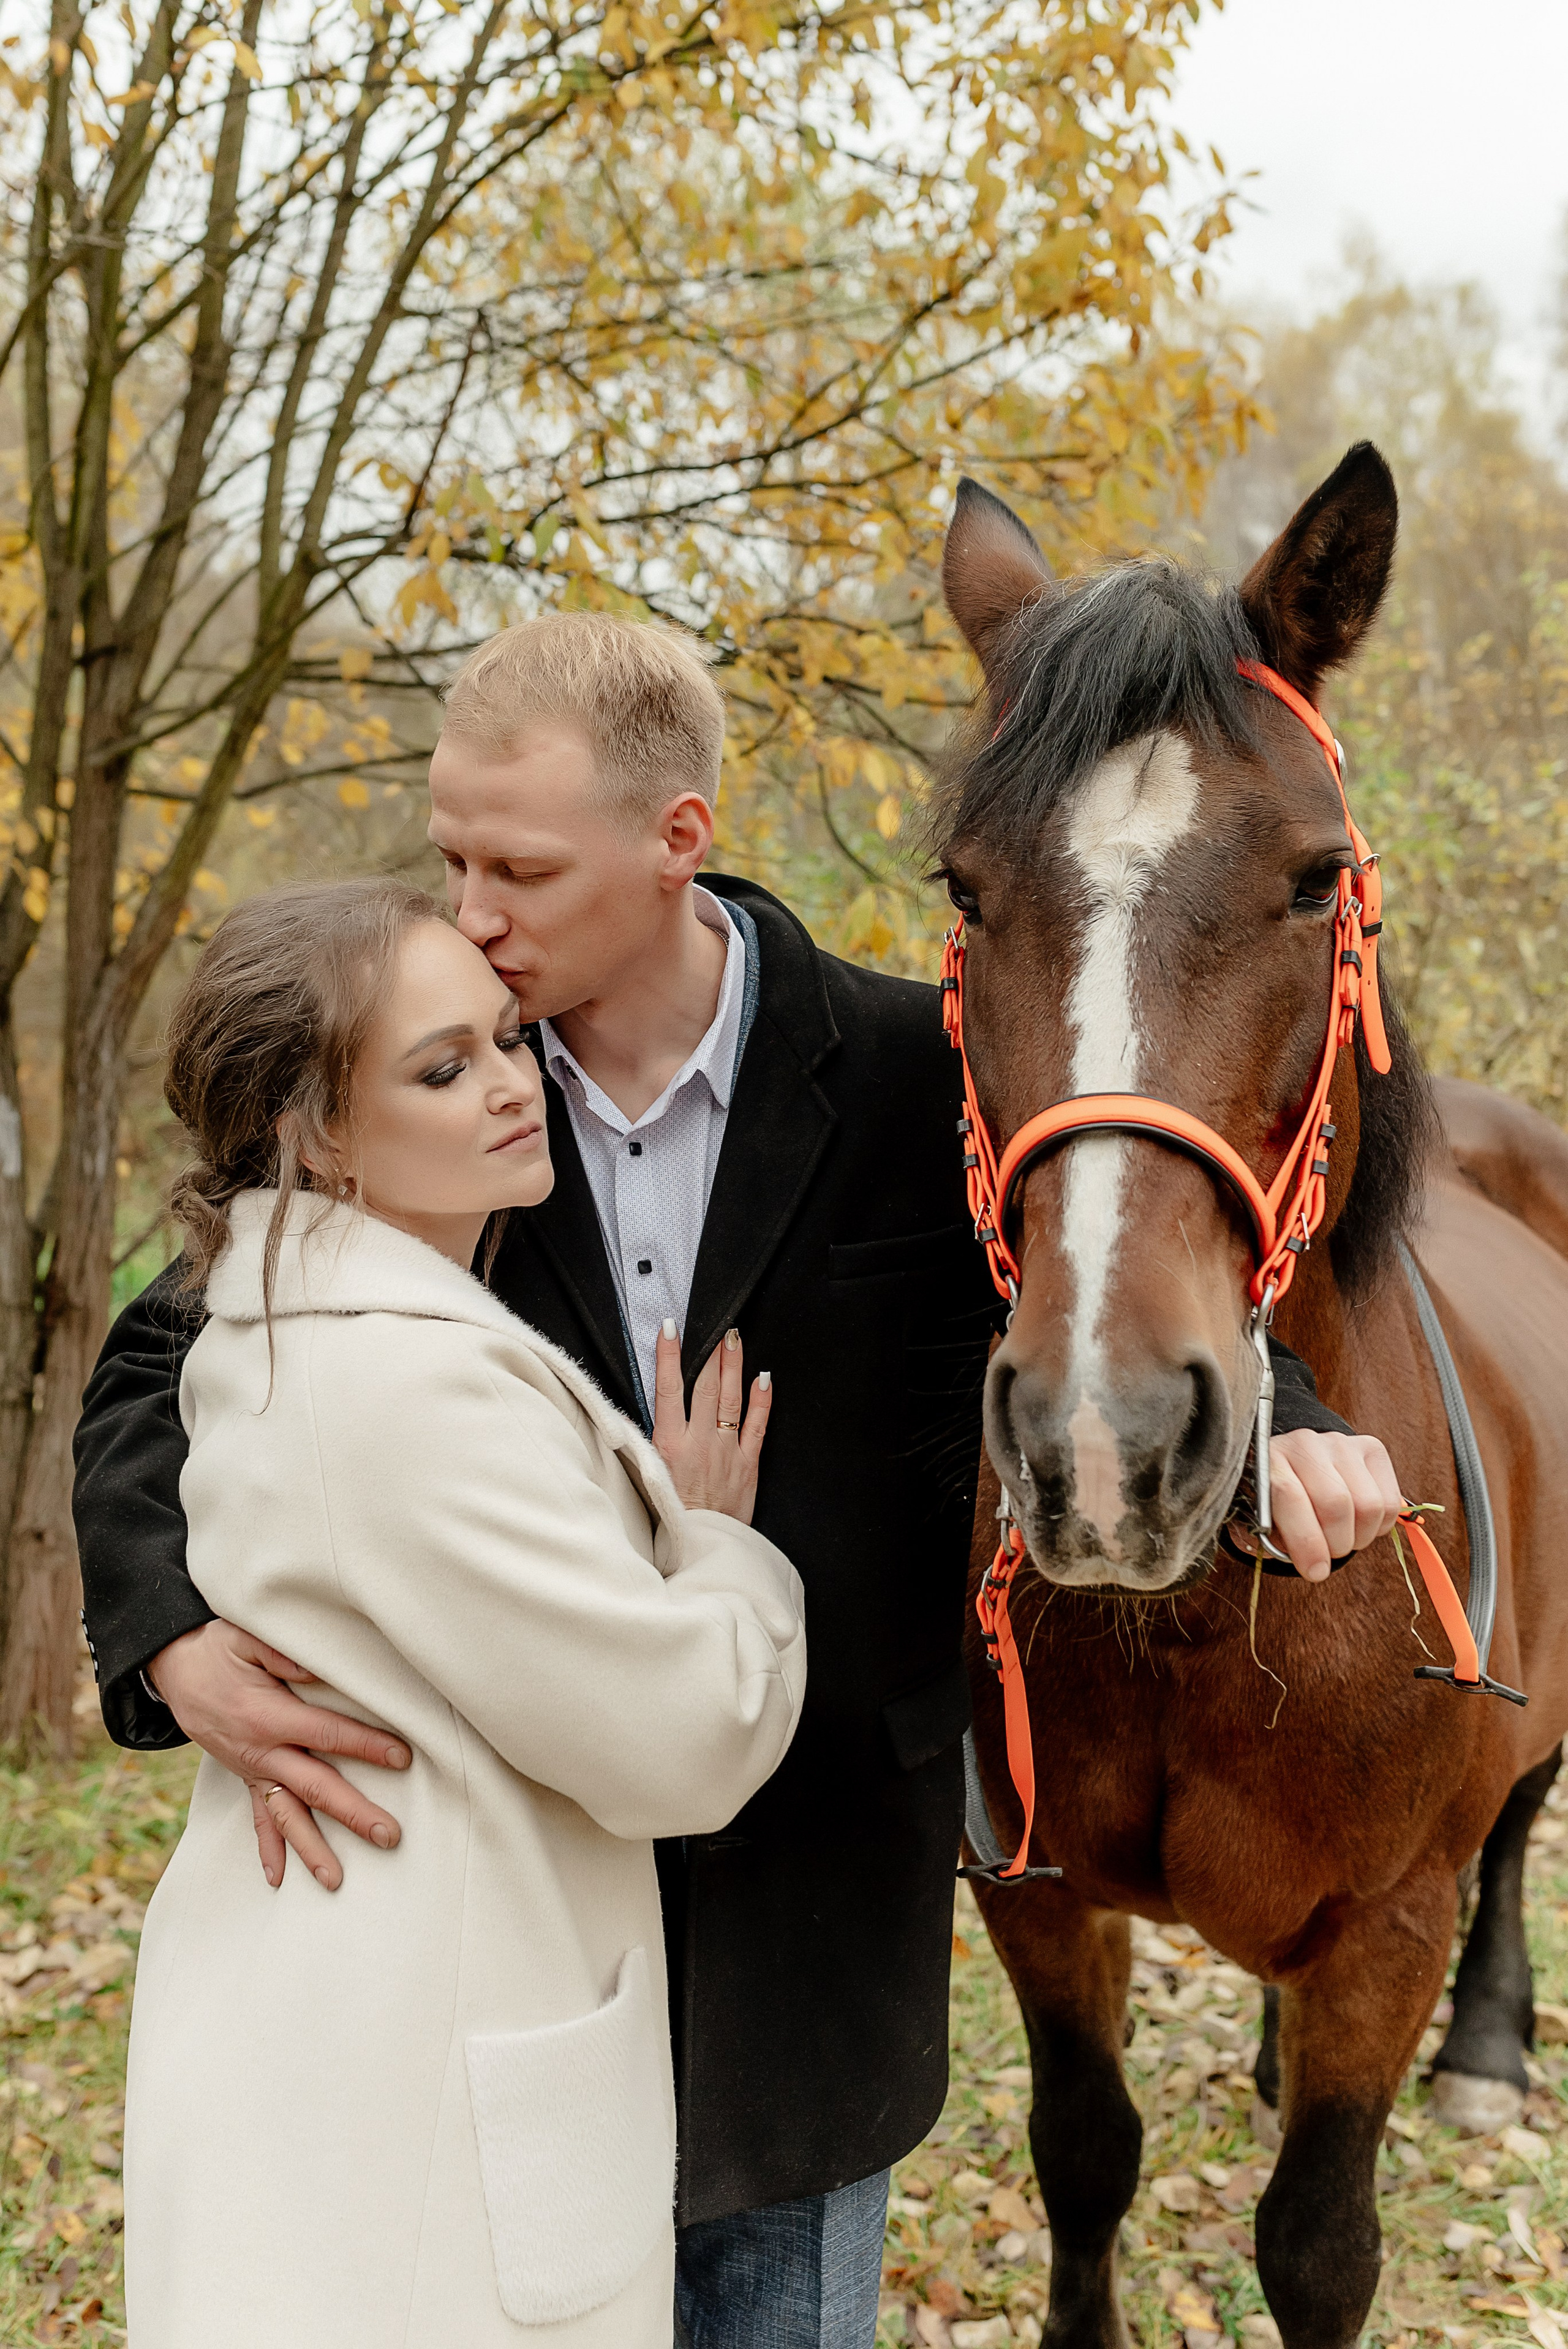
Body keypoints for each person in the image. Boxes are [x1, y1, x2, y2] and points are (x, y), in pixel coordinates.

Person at [77, 616, 1404, 2349]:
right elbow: (165, 1347)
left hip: (812, 1939)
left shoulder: (921, 1076)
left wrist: (1286, 1414)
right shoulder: (424, 1095)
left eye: (521, 866)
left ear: (676, 839)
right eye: (452, 855)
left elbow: (1119, 1242)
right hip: (515, 1936)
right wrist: (165, 1624)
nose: (471, 911)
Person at [121, 877, 804, 2348]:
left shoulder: (288, 1321)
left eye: (506, 1040)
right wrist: (714, 1546)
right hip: (418, 2108)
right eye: (444, 1067)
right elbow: (683, 1737)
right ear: (316, 1133)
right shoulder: (404, 1389)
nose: (513, 1088)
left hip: (334, 2039)